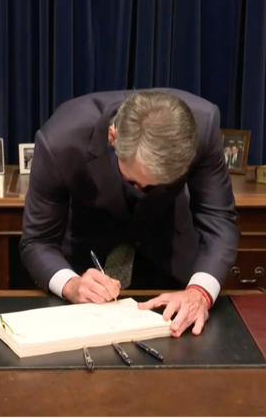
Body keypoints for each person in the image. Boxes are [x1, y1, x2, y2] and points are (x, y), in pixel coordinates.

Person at [20, 89, 240, 337]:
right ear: (112, 137)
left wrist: (199, 292)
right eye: (134, 182)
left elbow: (219, 220)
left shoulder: (203, 125)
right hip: (87, 271)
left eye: (160, 185)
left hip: (171, 263)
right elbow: (37, 241)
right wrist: (71, 285)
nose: (143, 191)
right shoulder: (60, 140)